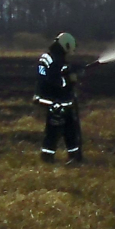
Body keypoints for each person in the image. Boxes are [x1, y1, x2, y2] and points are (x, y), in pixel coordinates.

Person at [33, 32, 83, 165]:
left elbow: (60, 74)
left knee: (70, 130)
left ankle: (75, 157)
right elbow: (51, 80)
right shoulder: (51, 60)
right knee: (53, 131)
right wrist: (68, 79)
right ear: (65, 45)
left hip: (62, 102)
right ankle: (47, 158)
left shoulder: (55, 58)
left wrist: (70, 75)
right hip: (54, 102)